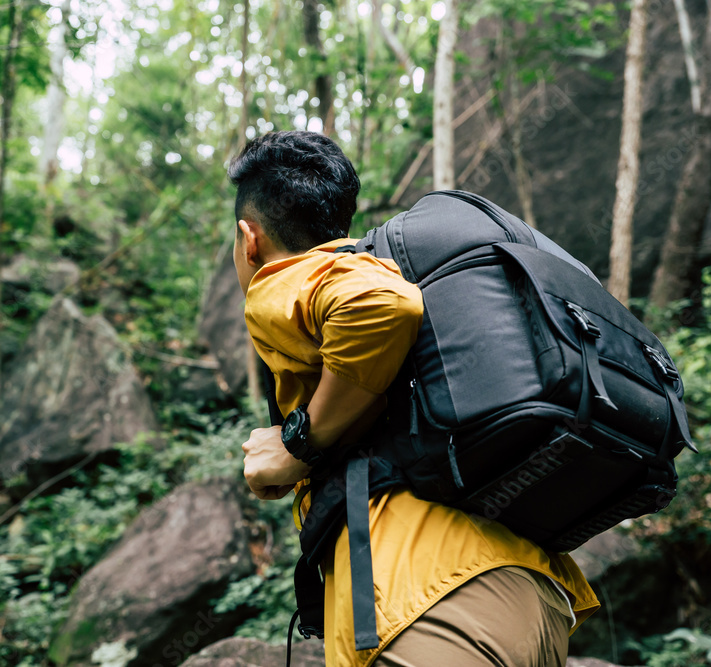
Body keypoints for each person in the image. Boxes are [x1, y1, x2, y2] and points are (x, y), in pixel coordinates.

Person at [229, 130, 600, 667]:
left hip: (429, 606)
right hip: (530, 599)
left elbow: (381, 305)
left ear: (250, 238)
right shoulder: (363, 281)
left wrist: (297, 444)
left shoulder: (289, 277)